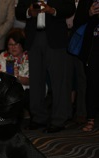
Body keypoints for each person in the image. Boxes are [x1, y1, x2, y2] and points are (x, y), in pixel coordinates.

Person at [16, 0, 76, 133]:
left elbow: (70, 8)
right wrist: (29, 12)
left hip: (55, 38)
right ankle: (38, 117)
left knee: (58, 81)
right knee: (36, 80)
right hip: (34, 37)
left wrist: (52, 10)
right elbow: (18, 11)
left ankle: (59, 119)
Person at [72, 0, 99, 131]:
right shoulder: (87, 1)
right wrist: (89, 13)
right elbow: (77, 22)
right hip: (92, 48)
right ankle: (91, 119)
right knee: (92, 83)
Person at [0, 28, 30, 116]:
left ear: (22, 45)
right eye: (10, 44)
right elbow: (0, 78)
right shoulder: (2, 56)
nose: (13, 47)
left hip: (27, 89)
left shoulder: (29, 56)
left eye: (16, 44)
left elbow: (30, 80)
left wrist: (16, 77)